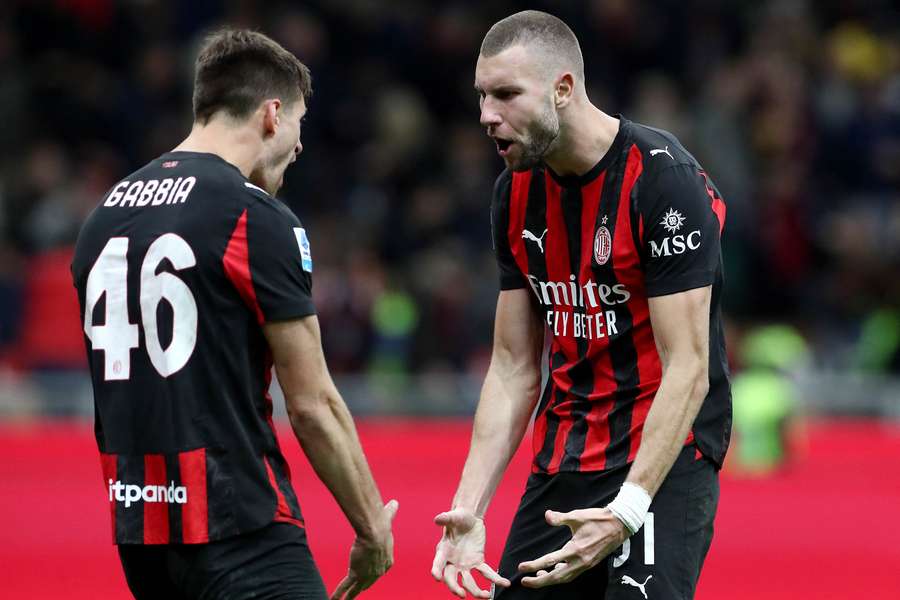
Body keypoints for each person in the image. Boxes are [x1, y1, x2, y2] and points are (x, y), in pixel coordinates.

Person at [71, 29, 396, 600]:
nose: (298, 147)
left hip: (143, 539)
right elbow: (313, 404)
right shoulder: (254, 217)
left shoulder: (102, 216)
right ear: (272, 114)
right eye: (298, 124)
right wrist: (372, 529)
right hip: (241, 526)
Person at [431, 10, 730, 599]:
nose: (487, 115)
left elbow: (689, 367)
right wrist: (469, 507)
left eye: (507, 94)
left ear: (563, 89)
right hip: (566, 453)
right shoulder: (513, 193)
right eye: (483, 95)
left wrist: (628, 510)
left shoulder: (662, 181)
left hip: (662, 458)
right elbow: (514, 367)